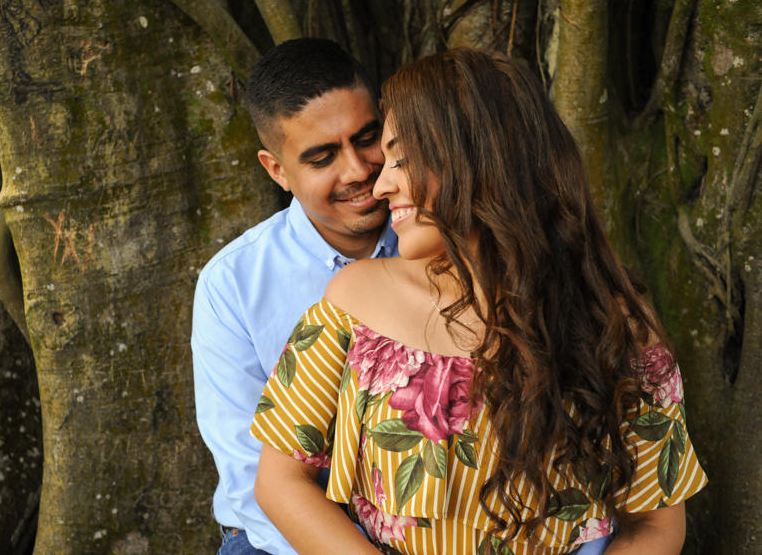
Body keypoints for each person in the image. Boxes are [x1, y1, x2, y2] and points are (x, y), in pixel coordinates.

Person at [251, 47, 707, 555]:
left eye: (401, 157)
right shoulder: (354, 302)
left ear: (475, 156)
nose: (381, 183)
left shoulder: (614, 324)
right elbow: (280, 483)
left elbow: (657, 525)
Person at [192, 38, 398, 555]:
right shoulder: (234, 286)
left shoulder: (449, 235)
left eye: (367, 138)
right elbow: (252, 481)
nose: (356, 170)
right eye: (322, 157)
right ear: (276, 170)